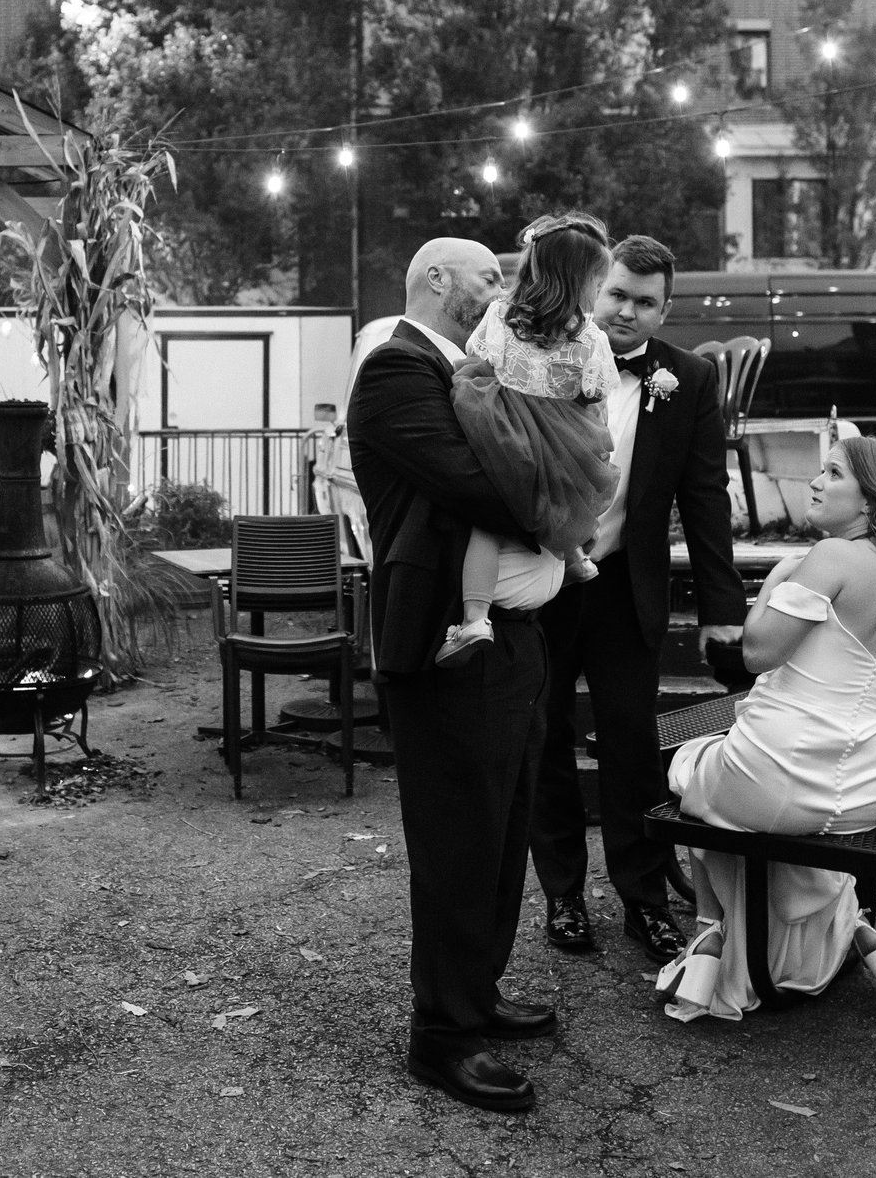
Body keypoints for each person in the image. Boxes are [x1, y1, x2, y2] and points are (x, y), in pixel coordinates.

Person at [658, 436, 876, 1023]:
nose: (815, 482)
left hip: (777, 773)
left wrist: (775, 578)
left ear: (871, 502)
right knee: (772, 818)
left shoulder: (827, 558)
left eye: (832, 473)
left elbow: (755, 653)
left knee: (693, 773)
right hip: (869, 789)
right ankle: (851, 927)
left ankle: (711, 934)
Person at [346, 238, 556, 1115]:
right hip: (442, 641)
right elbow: (480, 484)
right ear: (435, 277)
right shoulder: (397, 370)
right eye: (488, 275)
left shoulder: (465, 370)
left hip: (512, 636)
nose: (498, 289)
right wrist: (566, 486)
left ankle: (479, 990)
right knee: (458, 839)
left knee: (506, 827)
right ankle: (442, 1035)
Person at [529, 234, 748, 965]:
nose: (626, 310)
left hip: (626, 585)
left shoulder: (688, 379)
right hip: (540, 583)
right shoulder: (542, 356)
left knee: (631, 744)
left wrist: (724, 608)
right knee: (545, 737)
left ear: (664, 309)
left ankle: (643, 898)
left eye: (644, 301)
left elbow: (706, 499)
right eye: (617, 292)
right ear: (597, 288)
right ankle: (561, 891)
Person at [446, 215, 622, 664]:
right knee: (567, 498)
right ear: (581, 280)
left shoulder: (500, 314)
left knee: (489, 520)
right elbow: (596, 392)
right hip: (563, 439)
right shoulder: (589, 336)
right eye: (597, 281)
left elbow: (478, 358)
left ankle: (475, 617)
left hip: (502, 430)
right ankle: (577, 557)